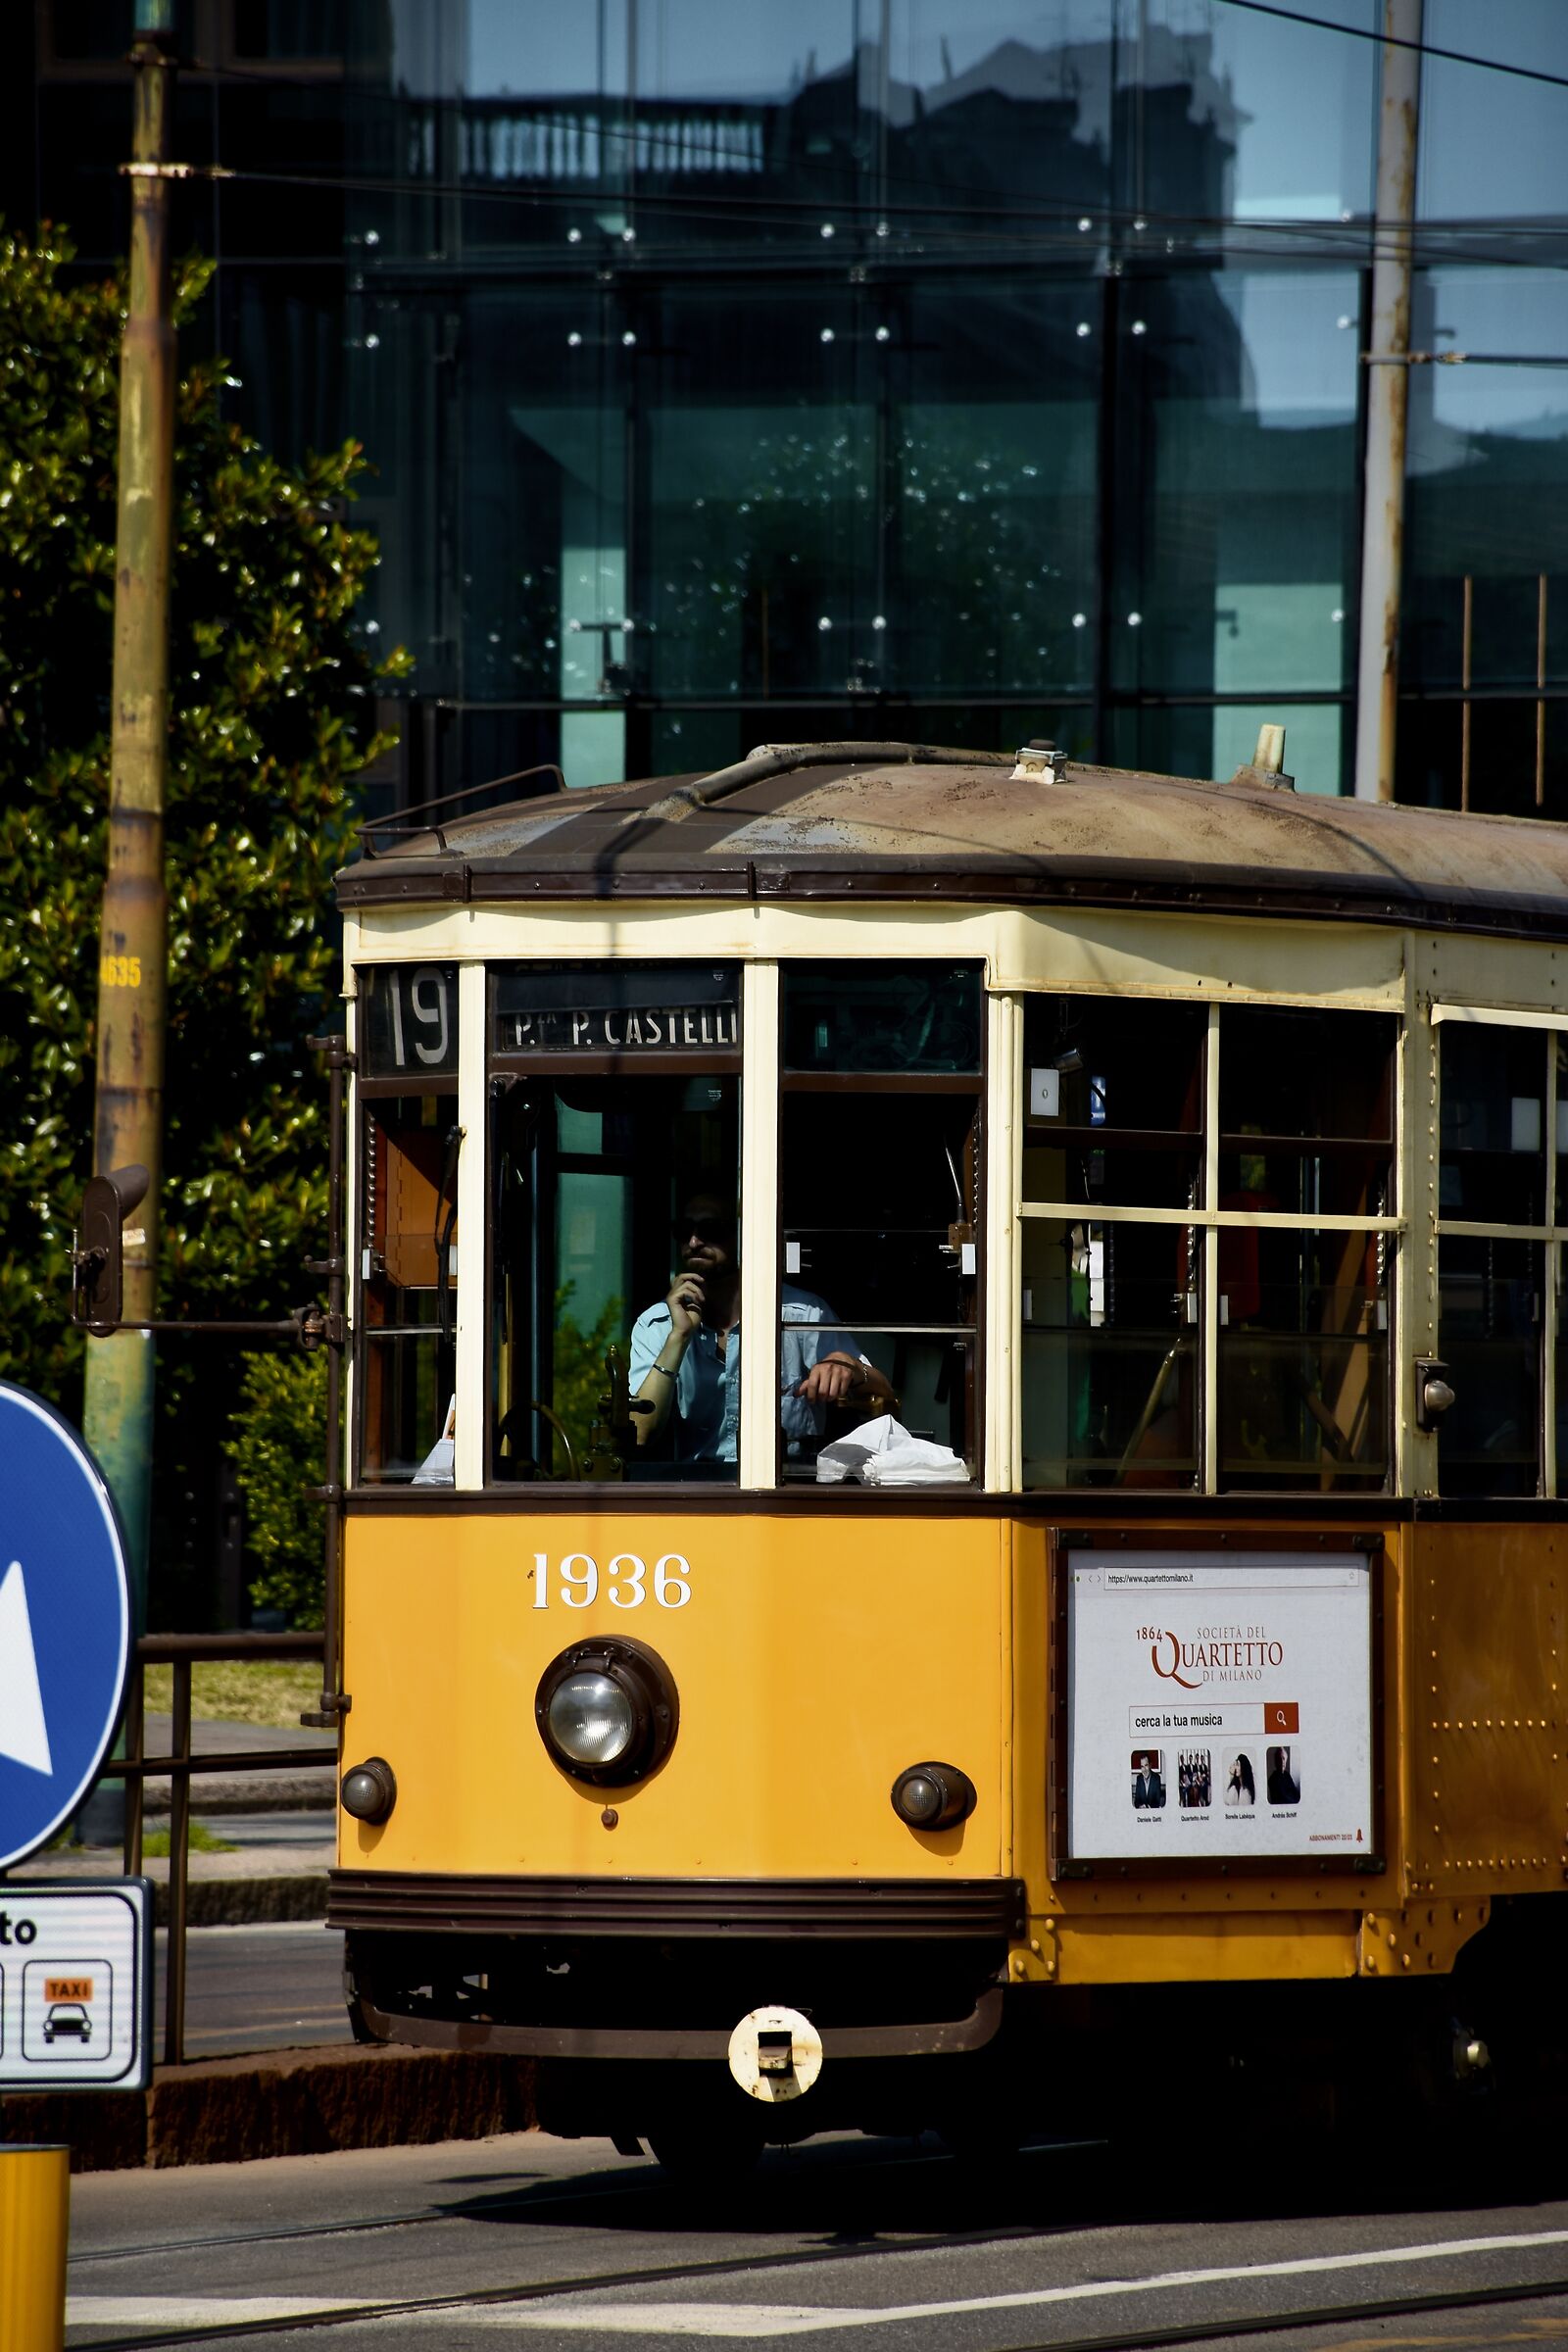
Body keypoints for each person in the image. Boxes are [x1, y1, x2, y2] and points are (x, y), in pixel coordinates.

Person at [629, 1195, 895, 1464]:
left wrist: (847, 1365)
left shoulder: (801, 1312)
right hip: (698, 1491)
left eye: (712, 1231)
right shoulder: (658, 1323)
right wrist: (679, 1337)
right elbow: (640, 1432)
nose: (695, 1242)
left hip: (787, 1485)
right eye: (684, 1232)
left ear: (746, 1235)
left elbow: (886, 1397)